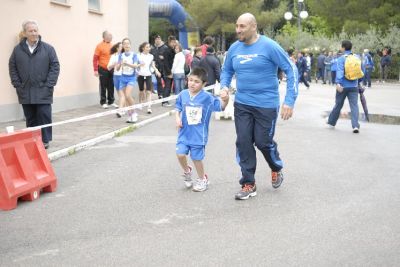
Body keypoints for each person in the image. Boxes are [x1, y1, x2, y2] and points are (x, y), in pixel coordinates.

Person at [220, 13, 298, 200]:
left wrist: (289, 100)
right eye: (237, 26)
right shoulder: (234, 48)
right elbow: (227, 70)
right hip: (243, 103)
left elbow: (291, 69)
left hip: (266, 104)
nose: (238, 30)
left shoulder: (270, 46)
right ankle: (248, 183)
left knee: (263, 142)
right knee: (244, 141)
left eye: (242, 26)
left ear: (253, 27)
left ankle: (276, 166)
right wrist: (224, 87)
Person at [175, 67, 229, 192]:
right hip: (184, 133)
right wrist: (177, 118)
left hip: (199, 135)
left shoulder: (207, 97)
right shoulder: (183, 94)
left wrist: (226, 100)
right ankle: (187, 171)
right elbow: (178, 107)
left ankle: (202, 179)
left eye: (196, 81)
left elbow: (220, 107)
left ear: (204, 84)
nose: (192, 83)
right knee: (180, 154)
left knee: (196, 158)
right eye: (191, 80)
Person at [9, 20, 60, 149]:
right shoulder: (17, 50)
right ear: (25, 33)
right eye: (30, 31)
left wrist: (49, 84)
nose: (33, 33)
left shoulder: (48, 48)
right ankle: (32, 139)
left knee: (44, 115)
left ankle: (45, 140)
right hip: (25, 90)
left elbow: (55, 66)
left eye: (35, 30)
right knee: (30, 117)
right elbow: (12, 67)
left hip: (43, 89)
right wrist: (17, 84)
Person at [327, 40, 361, 133]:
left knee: (338, 104)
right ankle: (355, 126)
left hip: (343, 86)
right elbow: (361, 71)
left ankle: (331, 122)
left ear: (343, 48)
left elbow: (340, 71)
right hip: (354, 85)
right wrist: (360, 83)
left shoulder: (341, 59)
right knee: (354, 106)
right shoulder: (357, 57)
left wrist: (338, 83)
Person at [116, 38, 141, 123]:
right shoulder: (121, 55)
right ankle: (130, 115)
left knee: (127, 95)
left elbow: (135, 66)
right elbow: (118, 67)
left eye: (128, 43)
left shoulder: (134, 55)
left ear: (130, 45)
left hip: (131, 77)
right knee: (126, 99)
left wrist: (127, 64)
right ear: (122, 46)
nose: (126, 45)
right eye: (125, 44)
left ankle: (134, 113)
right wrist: (120, 65)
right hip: (123, 77)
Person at [93, 31, 117, 109]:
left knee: (111, 85)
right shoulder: (99, 46)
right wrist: (95, 70)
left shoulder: (112, 46)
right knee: (103, 85)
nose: (111, 36)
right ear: (105, 36)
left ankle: (111, 101)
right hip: (102, 69)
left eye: (111, 35)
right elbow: (95, 59)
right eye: (110, 35)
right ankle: (103, 102)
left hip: (111, 69)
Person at [137, 42, 161, 114]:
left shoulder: (151, 56)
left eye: (149, 47)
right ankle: (140, 103)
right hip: (140, 75)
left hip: (148, 75)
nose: (148, 48)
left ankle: (149, 107)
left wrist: (156, 71)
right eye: (147, 47)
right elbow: (135, 65)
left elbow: (153, 65)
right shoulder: (138, 55)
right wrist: (138, 66)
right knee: (141, 91)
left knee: (148, 91)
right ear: (143, 48)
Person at [107, 42, 125, 117]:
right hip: (116, 76)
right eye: (121, 47)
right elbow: (108, 67)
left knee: (121, 94)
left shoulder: (124, 56)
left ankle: (120, 111)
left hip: (123, 76)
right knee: (120, 94)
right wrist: (113, 64)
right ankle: (123, 109)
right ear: (117, 48)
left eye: (122, 47)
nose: (122, 48)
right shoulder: (113, 56)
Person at [150, 35, 169, 99]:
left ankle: (165, 94)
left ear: (160, 40)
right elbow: (150, 57)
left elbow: (169, 57)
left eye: (159, 39)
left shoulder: (165, 47)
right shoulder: (152, 48)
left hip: (164, 67)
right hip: (156, 68)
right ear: (155, 40)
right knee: (158, 82)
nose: (157, 40)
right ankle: (160, 94)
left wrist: (164, 57)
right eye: (156, 39)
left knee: (166, 81)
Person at [161, 36, 177, 106]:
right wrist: (169, 72)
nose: (174, 44)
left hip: (171, 71)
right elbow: (166, 63)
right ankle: (164, 101)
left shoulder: (172, 50)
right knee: (167, 86)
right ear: (170, 42)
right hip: (167, 71)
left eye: (175, 42)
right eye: (173, 42)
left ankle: (166, 100)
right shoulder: (166, 50)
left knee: (169, 86)